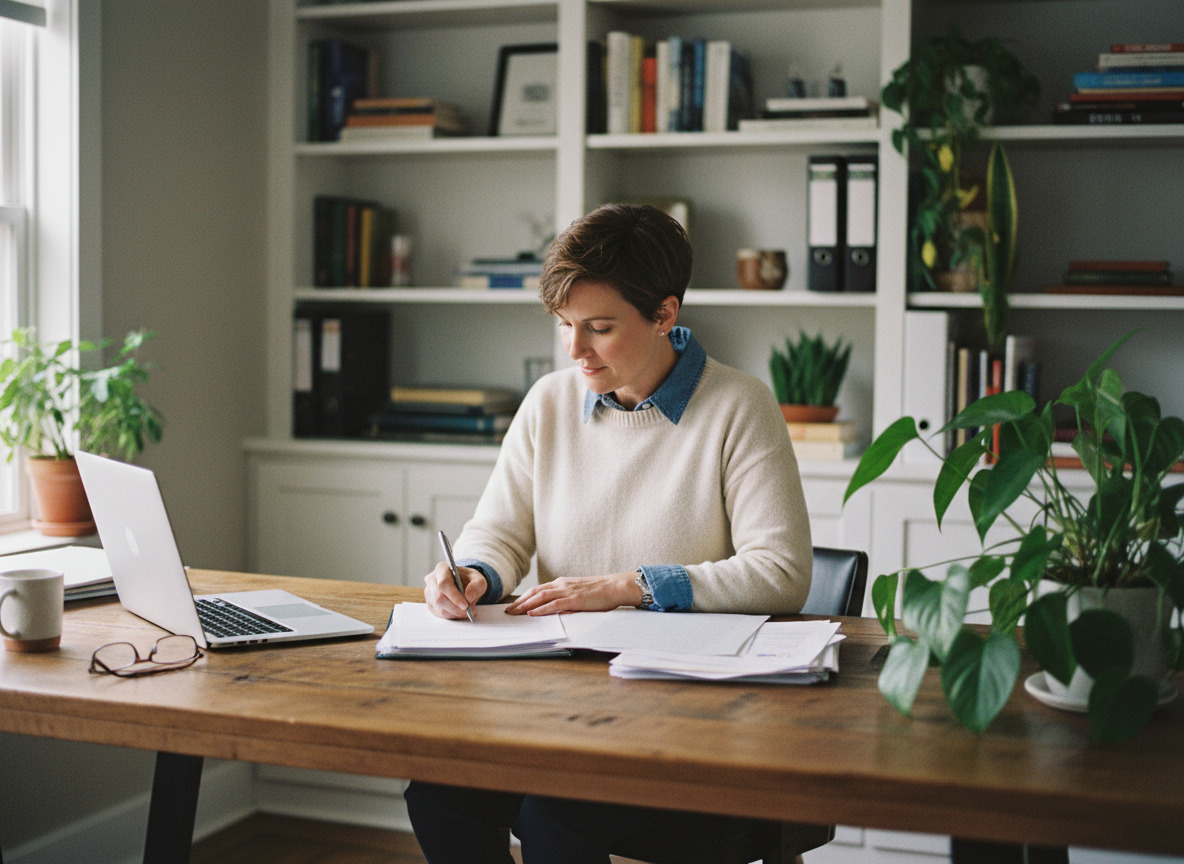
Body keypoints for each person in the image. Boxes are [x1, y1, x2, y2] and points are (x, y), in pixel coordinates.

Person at [406, 202, 813, 864]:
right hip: (559, 707)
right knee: (437, 792)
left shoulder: (740, 406)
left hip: (688, 719)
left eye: (599, 328)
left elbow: (781, 573)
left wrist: (629, 587)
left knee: (554, 816)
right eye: (565, 325)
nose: (575, 350)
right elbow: (500, 531)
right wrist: (474, 571)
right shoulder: (548, 403)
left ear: (664, 314)